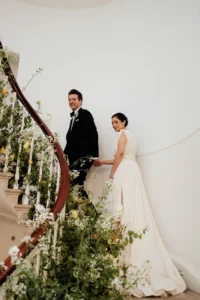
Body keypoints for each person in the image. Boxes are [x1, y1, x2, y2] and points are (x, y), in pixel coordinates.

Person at [95, 113, 186, 298]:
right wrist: (103, 161)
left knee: (123, 206)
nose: (113, 125)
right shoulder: (132, 137)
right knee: (133, 206)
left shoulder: (122, 135)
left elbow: (120, 155)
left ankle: (126, 258)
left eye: (116, 122)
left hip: (124, 172)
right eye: (112, 123)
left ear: (124, 122)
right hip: (131, 169)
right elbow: (124, 156)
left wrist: (112, 172)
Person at [64, 89, 100, 192]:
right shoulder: (72, 118)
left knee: (76, 184)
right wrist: (63, 155)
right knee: (75, 186)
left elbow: (93, 134)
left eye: (74, 99)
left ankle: (89, 208)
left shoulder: (85, 114)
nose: (71, 101)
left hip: (83, 158)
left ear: (80, 101)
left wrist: (94, 156)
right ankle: (81, 208)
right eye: (69, 99)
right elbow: (70, 140)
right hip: (73, 159)